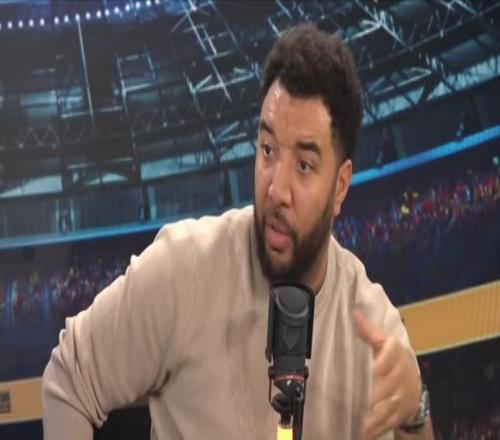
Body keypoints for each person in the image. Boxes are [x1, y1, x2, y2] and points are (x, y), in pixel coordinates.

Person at [42, 24, 433, 440]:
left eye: (304, 165)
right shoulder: (183, 269)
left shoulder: (374, 326)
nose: (276, 189)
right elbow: (69, 379)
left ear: (340, 186)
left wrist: (414, 412)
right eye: (267, 150)